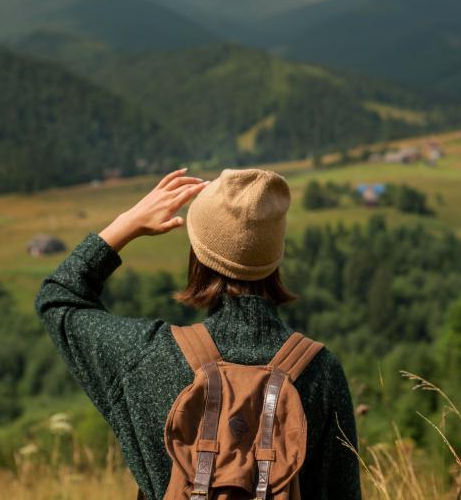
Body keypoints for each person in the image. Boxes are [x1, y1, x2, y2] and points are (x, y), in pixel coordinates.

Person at [35, 167, 362, 500]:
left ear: (198, 252)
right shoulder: (321, 372)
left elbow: (59, 297)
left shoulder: (146, 357)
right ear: (275, 256)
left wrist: (128, 223)